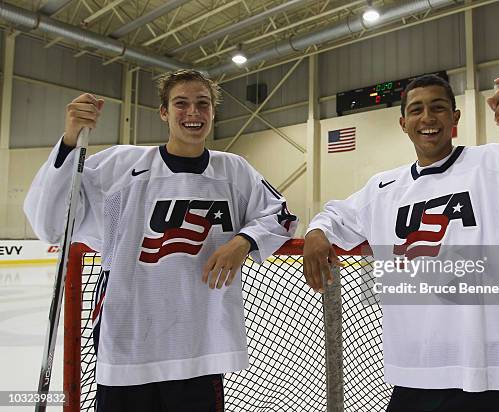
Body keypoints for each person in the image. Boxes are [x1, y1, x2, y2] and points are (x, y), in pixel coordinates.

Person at [303, 74, 499, 411]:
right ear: (403, 123)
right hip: (416, 369)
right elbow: (337, 215)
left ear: (455, 117)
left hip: (495, 369)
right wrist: (316, 233)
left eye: (438, 108)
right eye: (417, 110)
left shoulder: (498, 163)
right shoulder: (383, 188)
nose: (427, 118)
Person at [24, 69, 297, 411]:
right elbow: (52, 223)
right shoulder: (120, 166)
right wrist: (68, 140)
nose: (193, 113)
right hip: (127, 346)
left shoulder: (235, 171)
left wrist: (243, 241)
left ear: (213, 112)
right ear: (164, 112)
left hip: (198, 351)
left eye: (203, 104)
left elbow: (282, 217)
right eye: (181, 103)